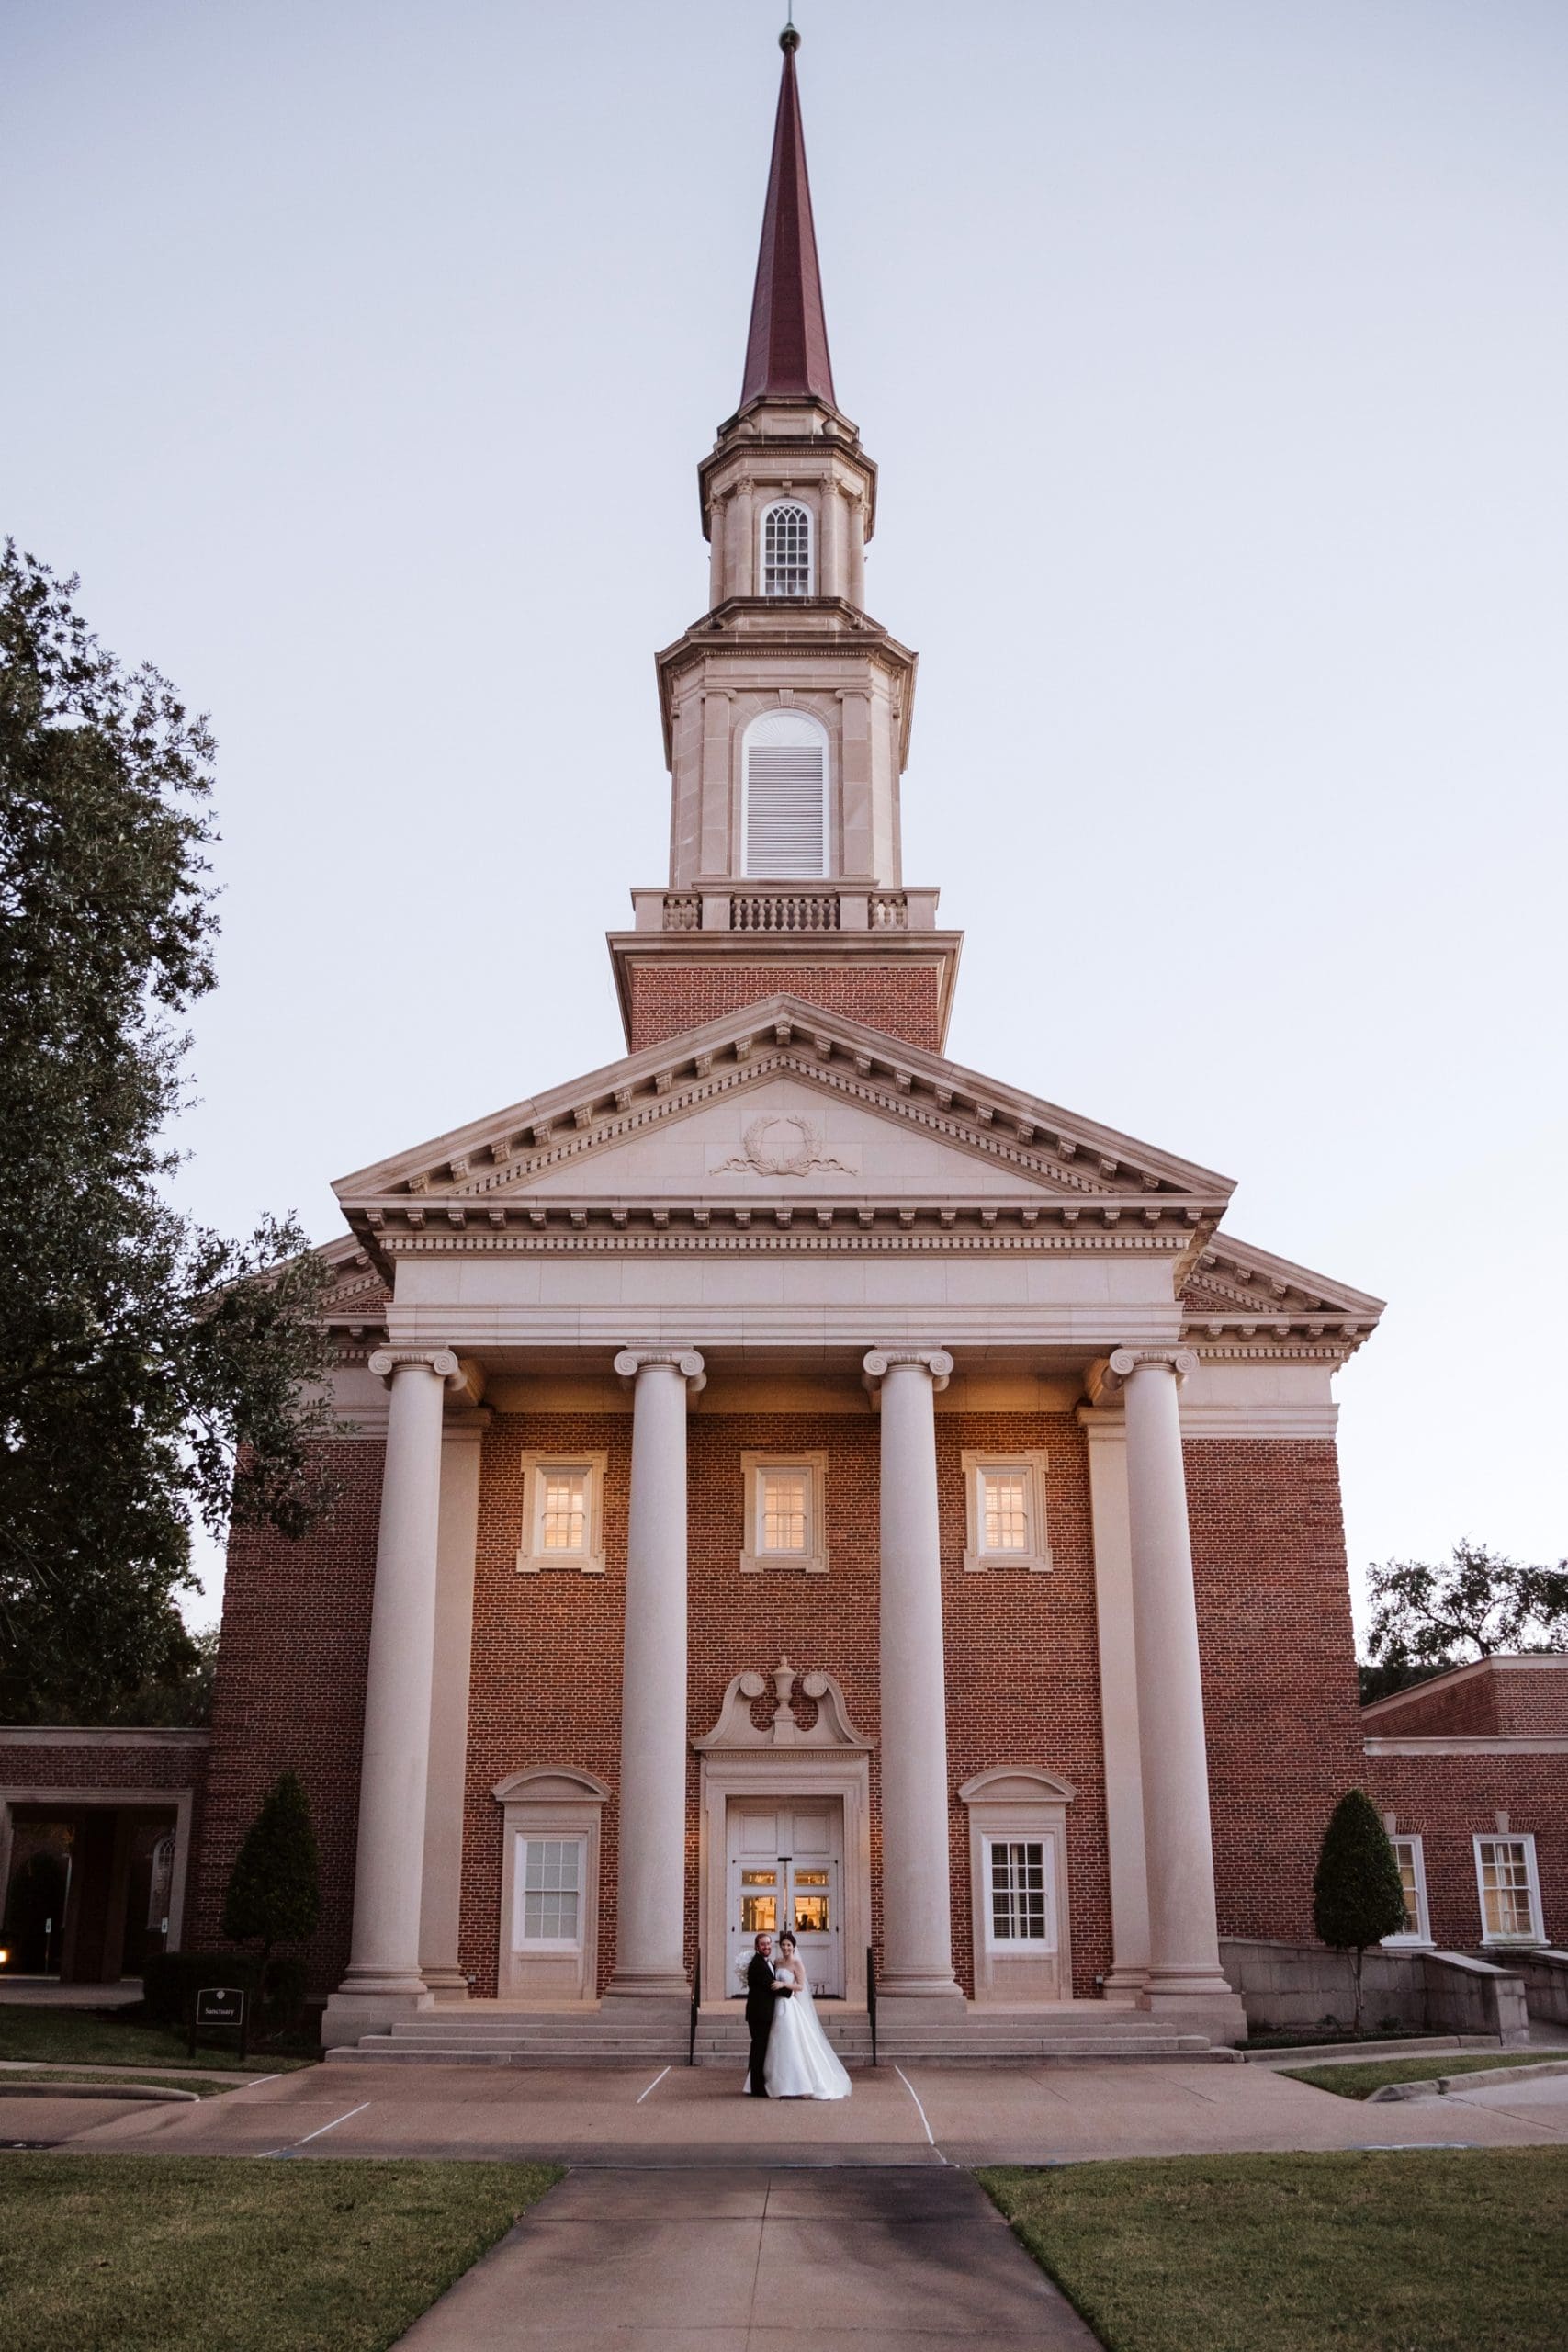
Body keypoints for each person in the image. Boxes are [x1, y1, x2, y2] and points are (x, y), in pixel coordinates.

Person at [762, 1931, 852, 2100]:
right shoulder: (777, 1962)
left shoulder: (797, 1963)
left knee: (791, 2039)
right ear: (780, 1946)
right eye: (783, 1945)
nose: (786, 1947)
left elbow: (801, 1986)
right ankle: (780, 2081)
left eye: (789, 1945)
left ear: (794, 1947)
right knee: (777, 2041)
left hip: (789, 2005)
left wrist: (783, 1984)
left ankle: (800, 2083)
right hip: (776, 2004)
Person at [743, 1930, 789, 2097]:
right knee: (759, 2050)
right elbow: (771, 1985)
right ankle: (757, 2088)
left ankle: (753, 2085)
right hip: (759, 2014)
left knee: (759, 2049)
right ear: (757, 1947)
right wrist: (791, 1991)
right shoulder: (757, 1965)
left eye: (768, 1944)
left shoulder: (767, 1962)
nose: (766, 1946)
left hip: (764, 2012)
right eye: (763, 1944)